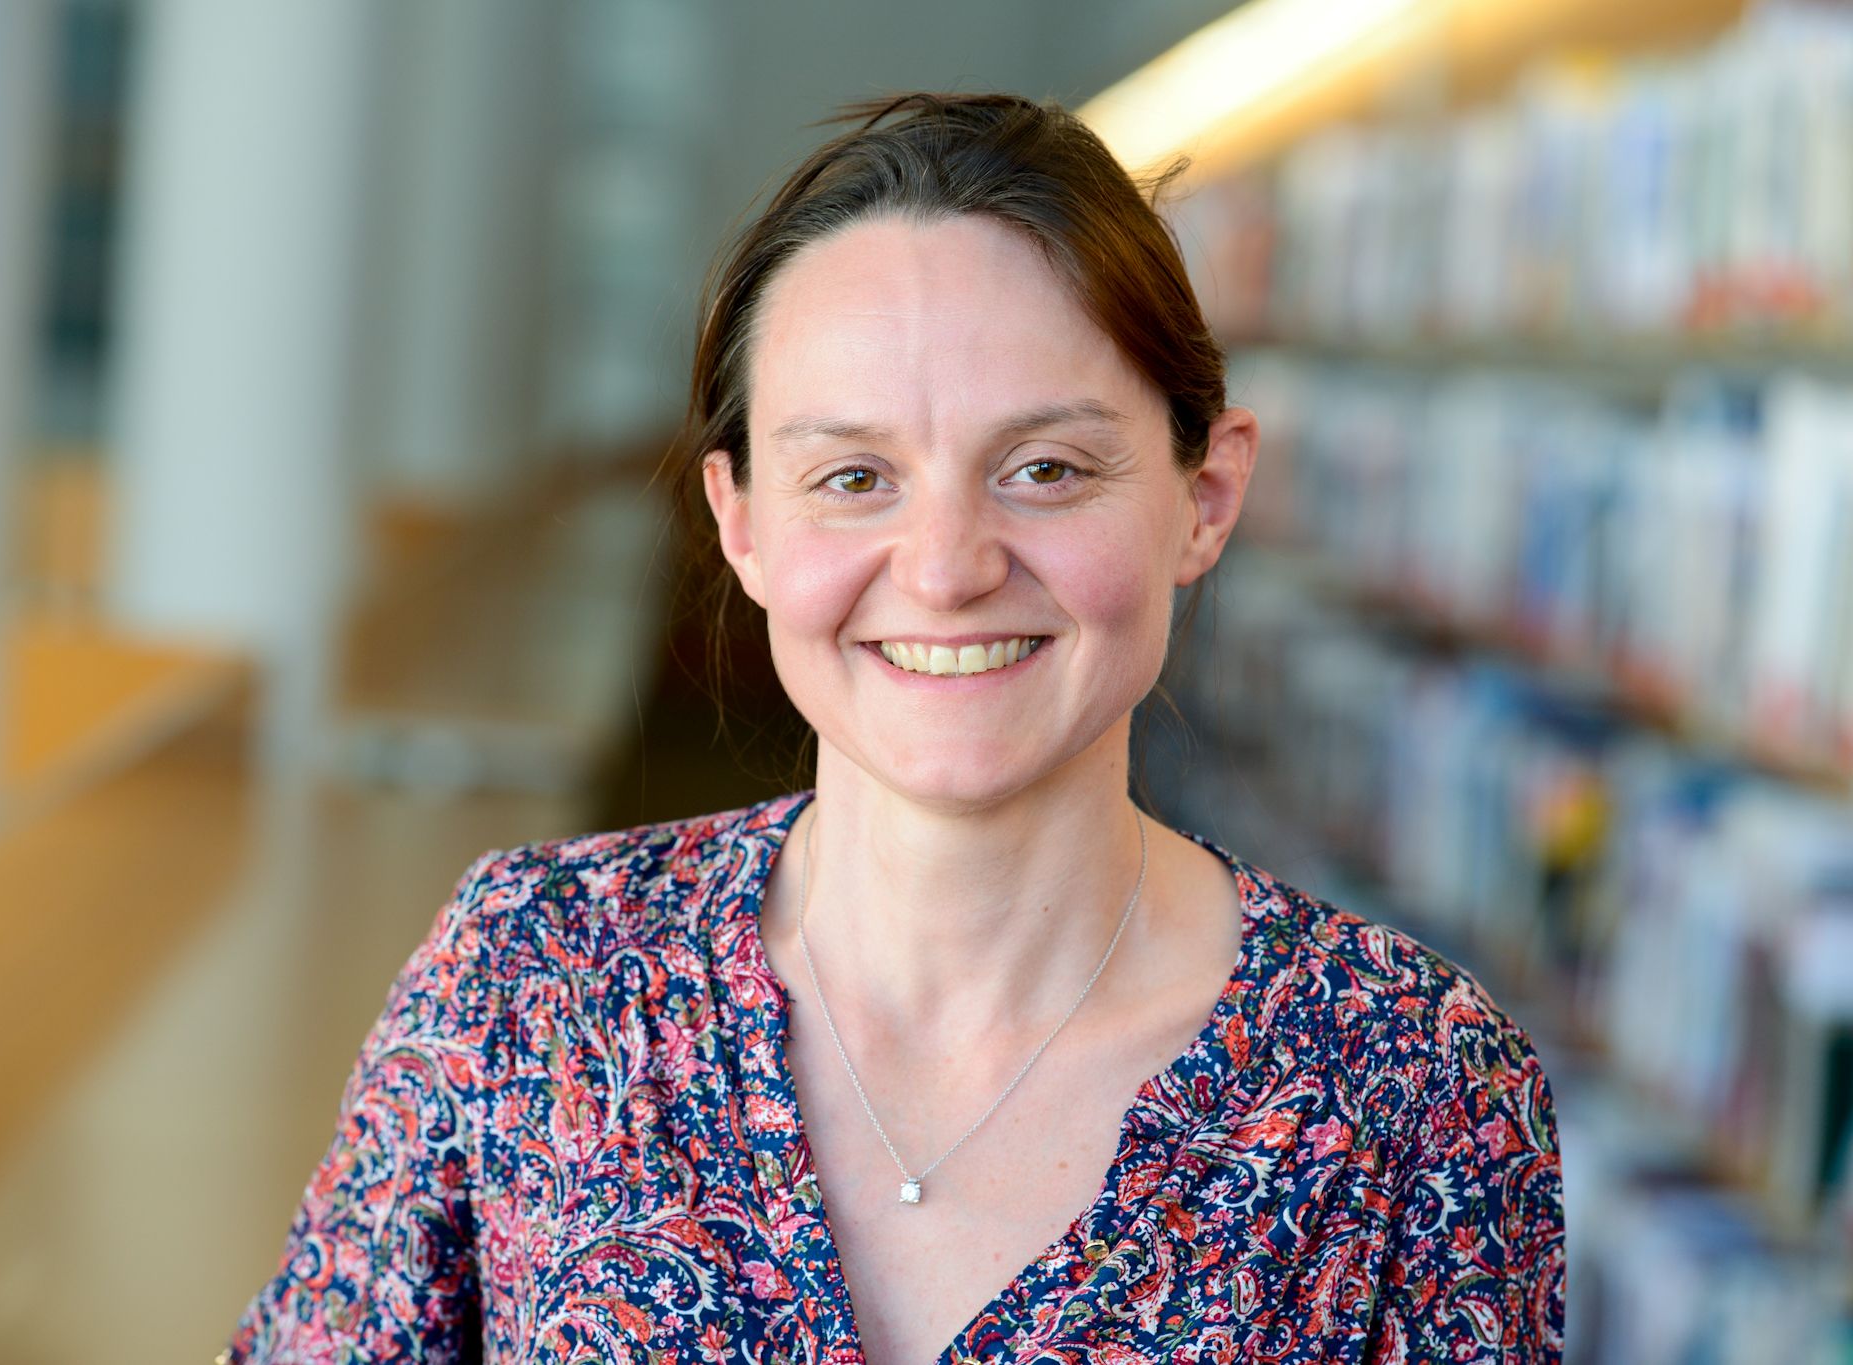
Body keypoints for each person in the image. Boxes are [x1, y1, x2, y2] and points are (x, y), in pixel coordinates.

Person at [222, 91, 1565, 1364]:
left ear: (1203, 497)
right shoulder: (529, 981)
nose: (944, 565)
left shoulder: (1415, 1089)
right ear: (742, 520)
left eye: (1044, 468)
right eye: (853, 476)